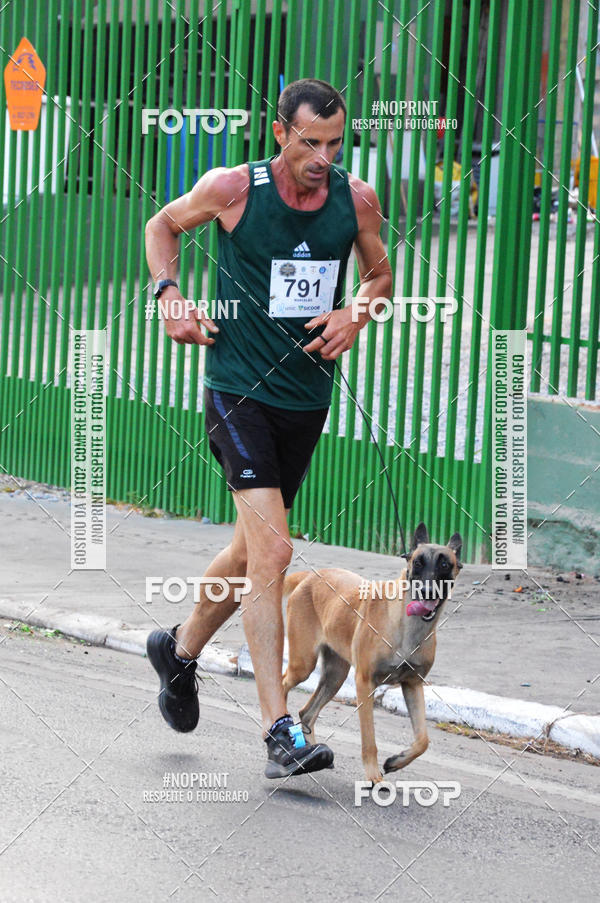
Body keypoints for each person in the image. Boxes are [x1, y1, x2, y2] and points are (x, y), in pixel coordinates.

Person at [144, 78, 392, 779]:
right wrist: (168, 294)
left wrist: (358, 313)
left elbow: (381, 276)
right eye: (310, 141)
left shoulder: (356, 198)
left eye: (335, 141)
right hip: (236, 391)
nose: (324, 155)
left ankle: (179, 652)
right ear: (279, 131)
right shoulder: (233, 189)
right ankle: (277, 727)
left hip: (305, 400)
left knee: (248, 551)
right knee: (276, 554)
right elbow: (160, 226)